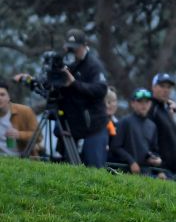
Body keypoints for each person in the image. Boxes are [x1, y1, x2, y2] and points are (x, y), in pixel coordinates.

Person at [14, 28, 110, 166]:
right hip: (71, 124)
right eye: (70, 48)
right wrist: (31, 81)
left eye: (76, 48)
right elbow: (50, 85)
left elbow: (101, 89)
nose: (73, 52)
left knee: (93, 168)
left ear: (84, 46)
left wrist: (74, 83)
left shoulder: (93, 65)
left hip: (93, 127)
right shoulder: (65, 64)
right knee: (68, 167)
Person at [109, 88, 163, 176]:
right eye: (140, 101)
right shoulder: (124, 122)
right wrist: (131, 162)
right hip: (124, 172)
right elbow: (115, 147)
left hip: (145, 174)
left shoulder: (152, 126)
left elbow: (154, 150)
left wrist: (158, 166)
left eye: (147, 102)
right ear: (133, 103)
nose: (144, 105)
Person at [147, 73, 176, 177]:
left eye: (169, 87)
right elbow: (148, 141)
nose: (166, 90)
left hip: (171, 172)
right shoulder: (151, 108)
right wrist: (158, 170)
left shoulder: (166, 110)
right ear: (153, 87)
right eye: (162, 86)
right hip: (159, 173)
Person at [0, 79, 39, 157]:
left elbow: (38, 136)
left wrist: (19, 134)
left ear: (9, 97)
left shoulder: (25, 111)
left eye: (2, 94)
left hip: (22, 158)